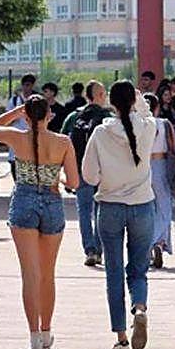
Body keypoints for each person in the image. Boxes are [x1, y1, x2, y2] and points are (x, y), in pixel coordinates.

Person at [0, 95, 79, 349]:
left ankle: (34, 337)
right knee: (48, 274)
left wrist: (16, 112)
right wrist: (57, 176)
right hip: (51, 201)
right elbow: (74, 182)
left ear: (27, 116)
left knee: (30, 273)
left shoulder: (18, 137)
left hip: (24, 199)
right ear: (49, 115)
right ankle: (47, 330)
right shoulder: (63, 142)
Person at [82, 81, 157, 349]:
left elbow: (88, 175)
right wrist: (140, 101)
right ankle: (140, 306)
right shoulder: (148, 128)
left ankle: (122, 337)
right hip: (142, 204)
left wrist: (106, 178)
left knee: (113, 272)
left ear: (110, 102)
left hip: (110, 205)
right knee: (138, 269)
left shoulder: (101, 132)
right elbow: (147, 114)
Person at [63, 80, 112, 265]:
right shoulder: (108, 117)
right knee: (100, 209)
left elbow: (64, 142)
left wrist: (66, 170)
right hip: (102, 170)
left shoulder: (74, 117)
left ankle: (89, 250)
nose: (104, 96)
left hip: (80, 168)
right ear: (98, 96)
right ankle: (99, 250)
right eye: (102, 93)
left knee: (83, 210)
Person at [147, 94, 175, 269]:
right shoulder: (164, 124)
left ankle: (152, 243)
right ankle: (157, 240)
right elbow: (174, 148)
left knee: (148, 207)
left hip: (143, 166)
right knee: (164, 205)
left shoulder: (139, 125)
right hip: (161, 163)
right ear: (157, 107)